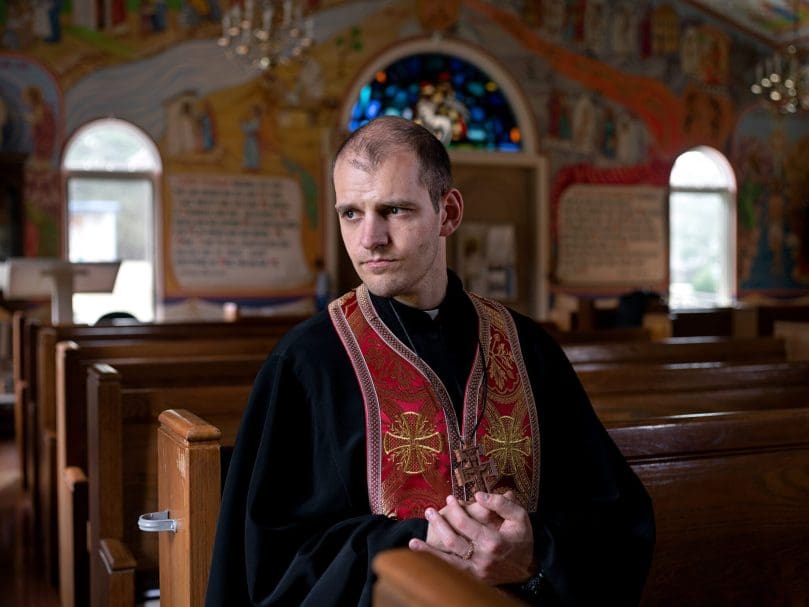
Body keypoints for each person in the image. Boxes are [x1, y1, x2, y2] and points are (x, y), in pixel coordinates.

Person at [205, 116, 655, 606]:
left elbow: (615, 521)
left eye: (394, 210)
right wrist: (417, 546)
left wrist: (531, 556)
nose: (370, 238)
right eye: (351, 214)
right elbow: (271, 564)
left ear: (449, 212)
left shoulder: (529, 350)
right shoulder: (305, 364)